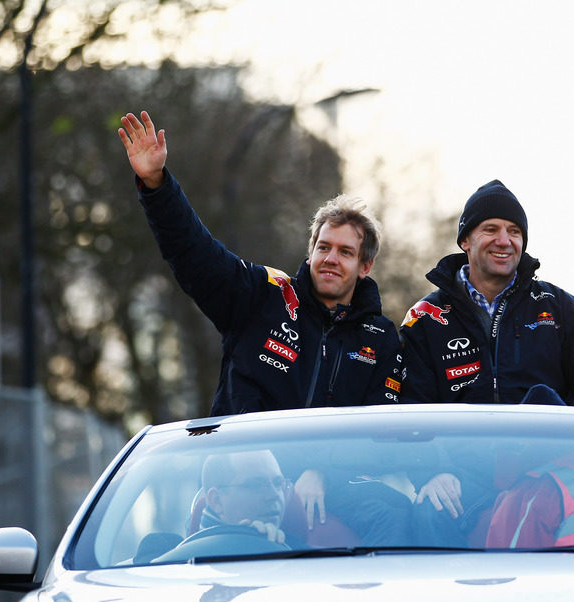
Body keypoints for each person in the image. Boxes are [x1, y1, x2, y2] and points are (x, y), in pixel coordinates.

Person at [119, 111, 403, 527]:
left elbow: (380, 439)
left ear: (366, 266)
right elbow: (194, 253)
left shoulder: (381, 339)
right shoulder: (264, 295)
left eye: (345, 252)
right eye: (324, 247)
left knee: (395, 517)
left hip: (330, 502)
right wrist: (156, 185)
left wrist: (321, 473)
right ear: (311, 252)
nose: (330, 259)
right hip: (235, 496)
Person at [399, 179, 574, 539]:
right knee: (430, 514)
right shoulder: (425, 318)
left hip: (549, 471)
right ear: (465, 240)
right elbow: (407, 410)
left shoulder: (560, 308)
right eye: (490, 229)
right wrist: (431, 472)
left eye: (514, 231)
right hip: (462, 480)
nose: (504, 241)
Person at [191, 450, 290, 545]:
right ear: (217, 501)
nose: (274, 495)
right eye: (256, 485)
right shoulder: (187, 558)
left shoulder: (300, 554)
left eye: (278, 483)